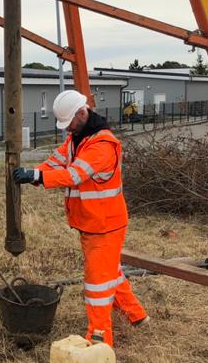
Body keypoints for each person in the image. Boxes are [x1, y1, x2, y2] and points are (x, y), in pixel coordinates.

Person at [13, 89, 148, 346]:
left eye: (69, 123)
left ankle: (98, 337)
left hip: (106, 225)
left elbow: (74, 175)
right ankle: (137, 315)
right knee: (111, 273)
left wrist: (37, 177)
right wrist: (33, 172)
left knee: (97, 284)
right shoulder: (77, 139)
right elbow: (55, 163)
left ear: (82, 113)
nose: (66, 129)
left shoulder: (102, 146)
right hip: (92, 223)